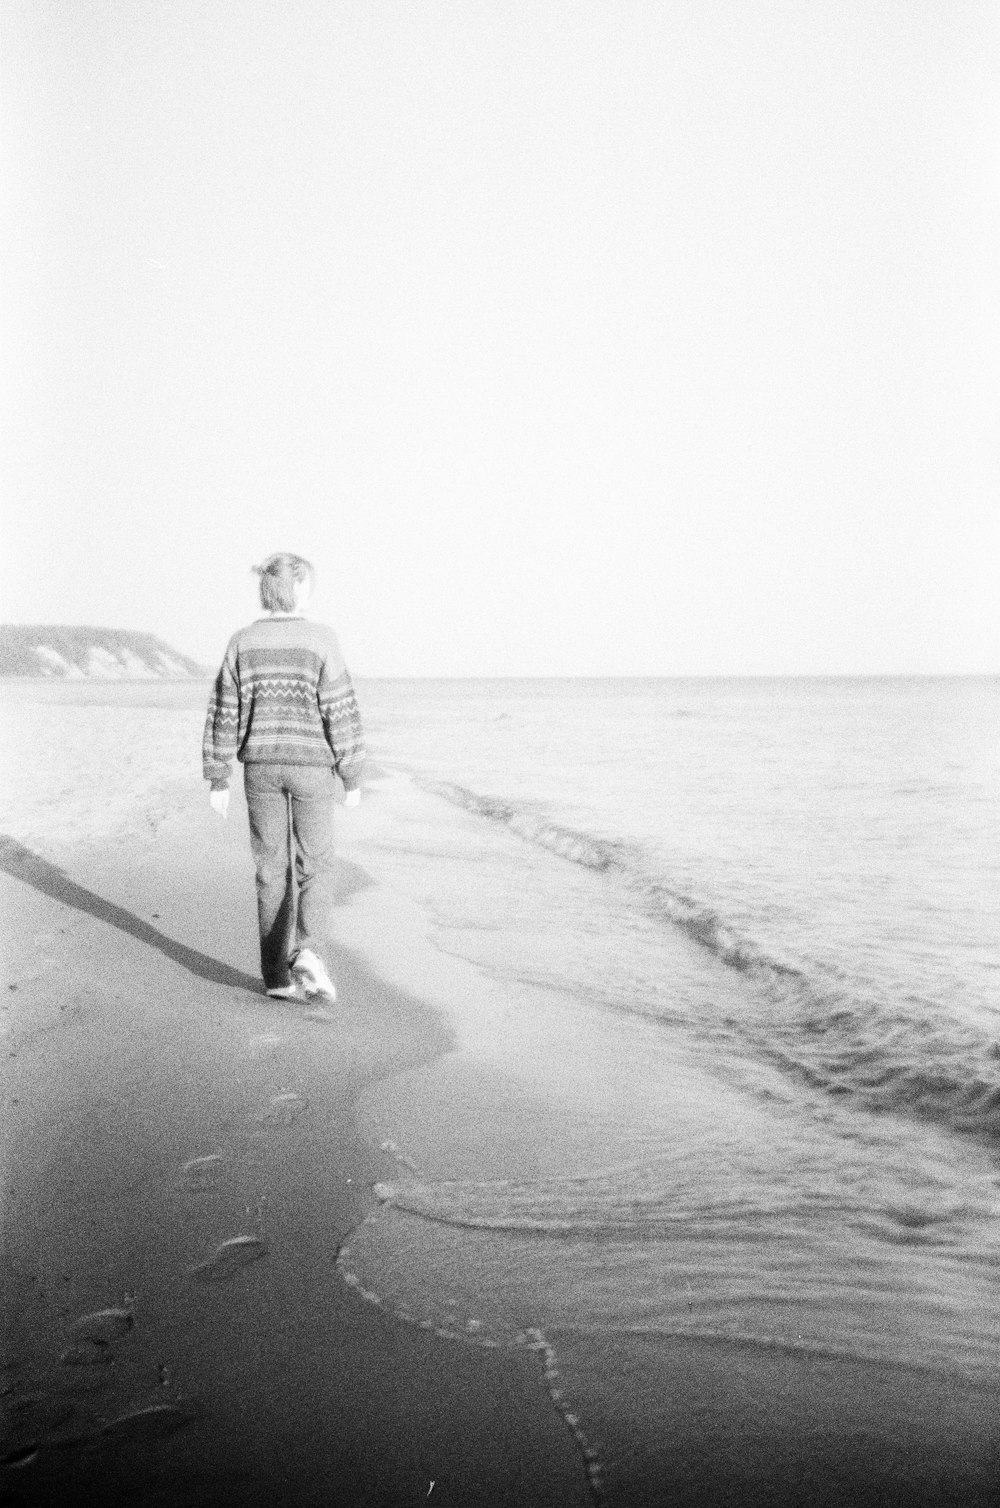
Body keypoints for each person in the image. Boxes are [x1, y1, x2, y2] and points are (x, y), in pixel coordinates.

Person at [202, 552, 365, 1001]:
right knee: (315, 864)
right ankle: (309, 953)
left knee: (270, 870)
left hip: (260, 769)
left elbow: (224, 712)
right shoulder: (321, 640)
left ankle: (275, 977)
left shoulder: (241, 642)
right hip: (312, 767)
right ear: (300, 590)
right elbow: (340, 708)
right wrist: (352, 774)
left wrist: (218, 776)